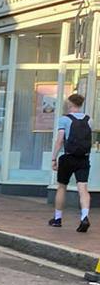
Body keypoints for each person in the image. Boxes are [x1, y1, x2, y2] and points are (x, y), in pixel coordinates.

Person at [49, 91, 91, 234]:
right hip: (83, 158)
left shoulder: (64, 119)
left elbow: (60, 140)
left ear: (70, 104)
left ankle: (57, 219)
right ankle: (84, 216)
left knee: (62, 187)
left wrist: (54, 158)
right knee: (83, 189)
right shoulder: (89, 120)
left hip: (68, 157)